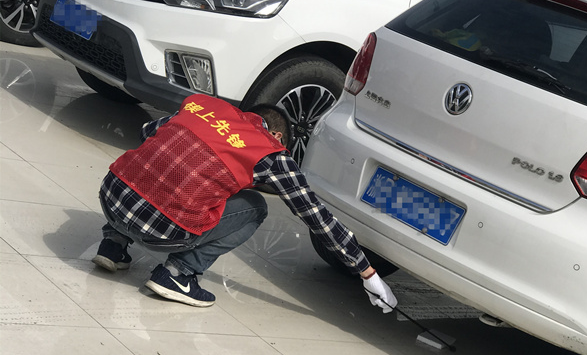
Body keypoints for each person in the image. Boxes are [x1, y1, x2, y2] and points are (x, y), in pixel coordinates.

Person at [92, 93, 398, 313]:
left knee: (156, 166)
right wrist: (368, 273)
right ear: (277, 135)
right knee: (255, 207)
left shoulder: (204, 106)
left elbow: (147, 132)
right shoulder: (270, 152)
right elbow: (317, 217)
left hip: (110, 198)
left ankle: (113, 244)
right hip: (163, 231)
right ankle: (177, 274)